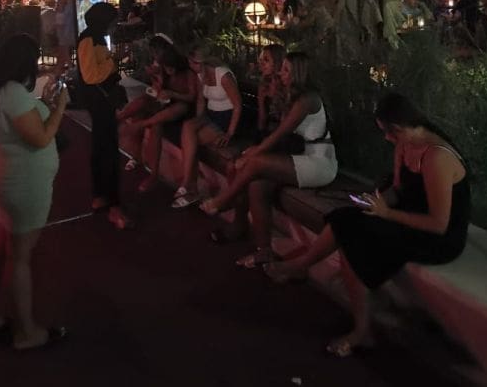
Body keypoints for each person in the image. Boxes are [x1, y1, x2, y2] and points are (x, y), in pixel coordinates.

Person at [263, 92, 471, 358]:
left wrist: (386, 213)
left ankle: (359, 327)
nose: (386, 138)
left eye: (387, 132)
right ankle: (306, 271)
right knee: (344, 218)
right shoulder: (405, 145)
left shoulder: (436, 157)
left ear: (398, 128)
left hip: (437, 238)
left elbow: (439, 224)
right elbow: (398, 190)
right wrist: (376, 202)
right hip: (406, 217)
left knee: (355, 239)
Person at [0, 33, 69, 350]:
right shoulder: (12, 92)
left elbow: (25, 123)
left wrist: (45, 104)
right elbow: (41, 138)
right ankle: (26, 332)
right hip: (23, 182)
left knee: (1, 248)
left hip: (7, 176)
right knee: (20, 257)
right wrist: (60, 107)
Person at [200, 52, 337, 268]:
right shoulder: (291, 95)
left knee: (252, 163)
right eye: (281, 68)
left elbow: (280, 134)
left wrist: (252, 154)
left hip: (318, 163)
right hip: (295, 157)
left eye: (286, 70)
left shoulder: (307, 100)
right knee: (256, 184)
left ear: (299, 74)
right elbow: (269, 130)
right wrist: (266, 98)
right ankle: (264, 251)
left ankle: (224, 200)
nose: (281, 73)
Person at [75, 2, 133, 230]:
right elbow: (91, 76)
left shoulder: (95, 38)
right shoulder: (89, 40)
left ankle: (101, 196)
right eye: (112, 21)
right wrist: (113, 61)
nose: (114, 25)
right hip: (99, 101)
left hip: (100, 102)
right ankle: (113, 204)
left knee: (102, 148)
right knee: (107, 150)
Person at [121, 43, 198, 194]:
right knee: (142, 107)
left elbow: (191, 97)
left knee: (159, 122)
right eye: (166, 68)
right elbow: (159, 88)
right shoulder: (165, 72)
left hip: (181, 109)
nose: (168, 71)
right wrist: (155, 81)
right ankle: (121, 119)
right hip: (165, 105)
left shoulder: (188, 74)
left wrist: (173, 94)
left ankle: (154, 173)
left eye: (170, 68)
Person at [172, 46, 243, 208]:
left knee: (191, 142)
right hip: (210, 115)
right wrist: (199, 119)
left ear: (202, 62)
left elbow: (238, 105)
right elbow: (200, 100)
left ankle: (190, 188)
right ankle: (188, 184)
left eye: (193, 63)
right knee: (188, 127)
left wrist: (229, 133)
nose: (191, 66)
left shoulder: (223, 76)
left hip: (226, 118)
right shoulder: (200, 74)